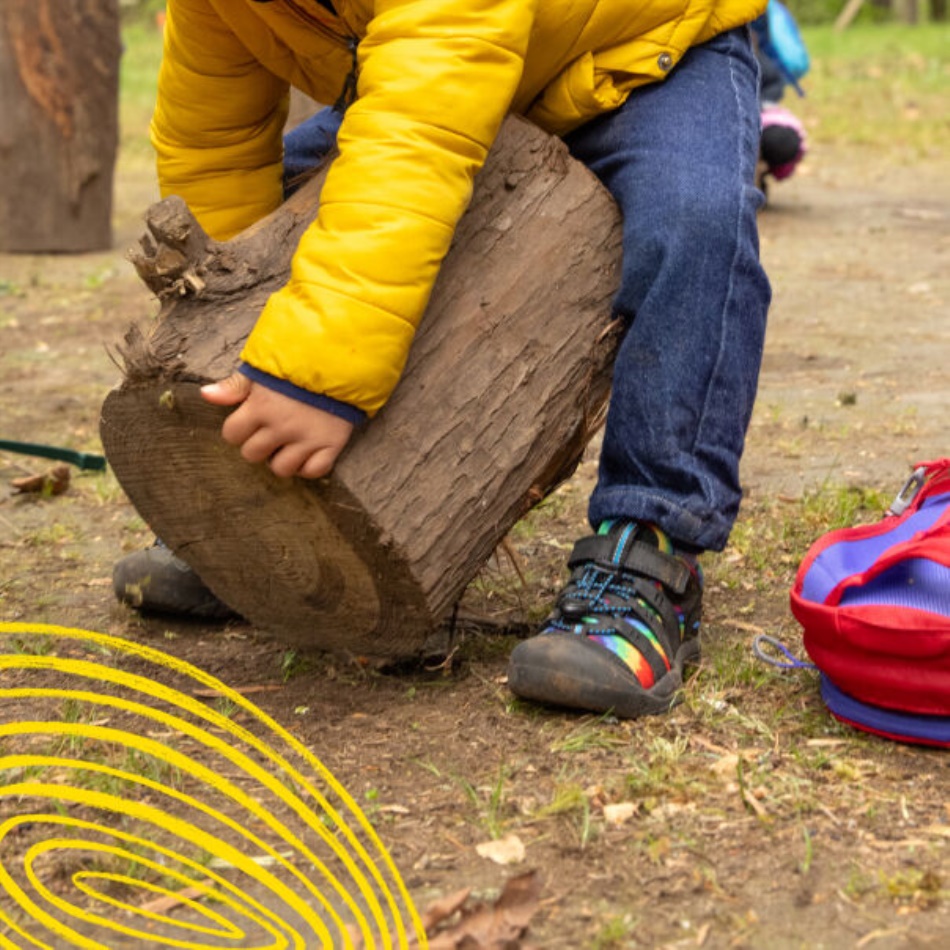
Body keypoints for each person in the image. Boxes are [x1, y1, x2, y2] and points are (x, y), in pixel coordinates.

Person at [114, 0, 772, 720]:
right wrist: (243, 361)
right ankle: (256, 510)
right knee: (298, 188)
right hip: (436, 75)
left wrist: (312, 370)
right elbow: (218, 149)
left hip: (643, 53)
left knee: (695, 222)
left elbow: (418, 130)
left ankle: (652, 546)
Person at [751, 5, 808, 196]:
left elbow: (772, 82)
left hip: (761, 109)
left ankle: (754, 186)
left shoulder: (759, 47)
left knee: (779, 139)